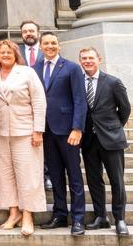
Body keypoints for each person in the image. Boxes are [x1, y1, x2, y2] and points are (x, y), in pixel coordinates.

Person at [0, 40, 47, 236]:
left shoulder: (27, 72)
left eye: (9, 52)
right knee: (4, 173)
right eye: (2, 52)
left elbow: (39, 101)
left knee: (28, 173)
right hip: (0, 130)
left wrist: (38, 130)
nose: (5, 55)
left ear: (16, 54)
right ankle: (13, 212)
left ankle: (28, 214)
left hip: (25, 130)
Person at [34, 32, 87, 236]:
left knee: (73, 175)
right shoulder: (34, 69)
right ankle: (60, 214)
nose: (50, 46)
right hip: (45, 130)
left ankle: (78, 218)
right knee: (55, 175)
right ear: (40, 46)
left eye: (53, 43)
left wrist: (77, 128)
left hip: (68, 130)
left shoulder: (72, 67)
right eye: (46, 43)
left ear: (59, 45)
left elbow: (80, 100)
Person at [79, 47, 131, 236]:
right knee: (94, 180)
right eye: (84, 58)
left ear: (98, 59)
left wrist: (112, 127)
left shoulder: (113, 82)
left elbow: (125, 109)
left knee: (116, 180)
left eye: (91, 58)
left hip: (111, 139)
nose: (87, 61)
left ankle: (119, 219)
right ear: (80, 61)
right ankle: (101, 216)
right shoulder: (78, 82)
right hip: (88, 140)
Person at [19, 20, 50, 190]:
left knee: (46, 143)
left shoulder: (47, 50)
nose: (28, 34)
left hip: (46, 104)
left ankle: (47, 175)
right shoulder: (17, 52)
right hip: (23, 105)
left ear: (38, 33)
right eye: (25, 31)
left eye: (31, 31)